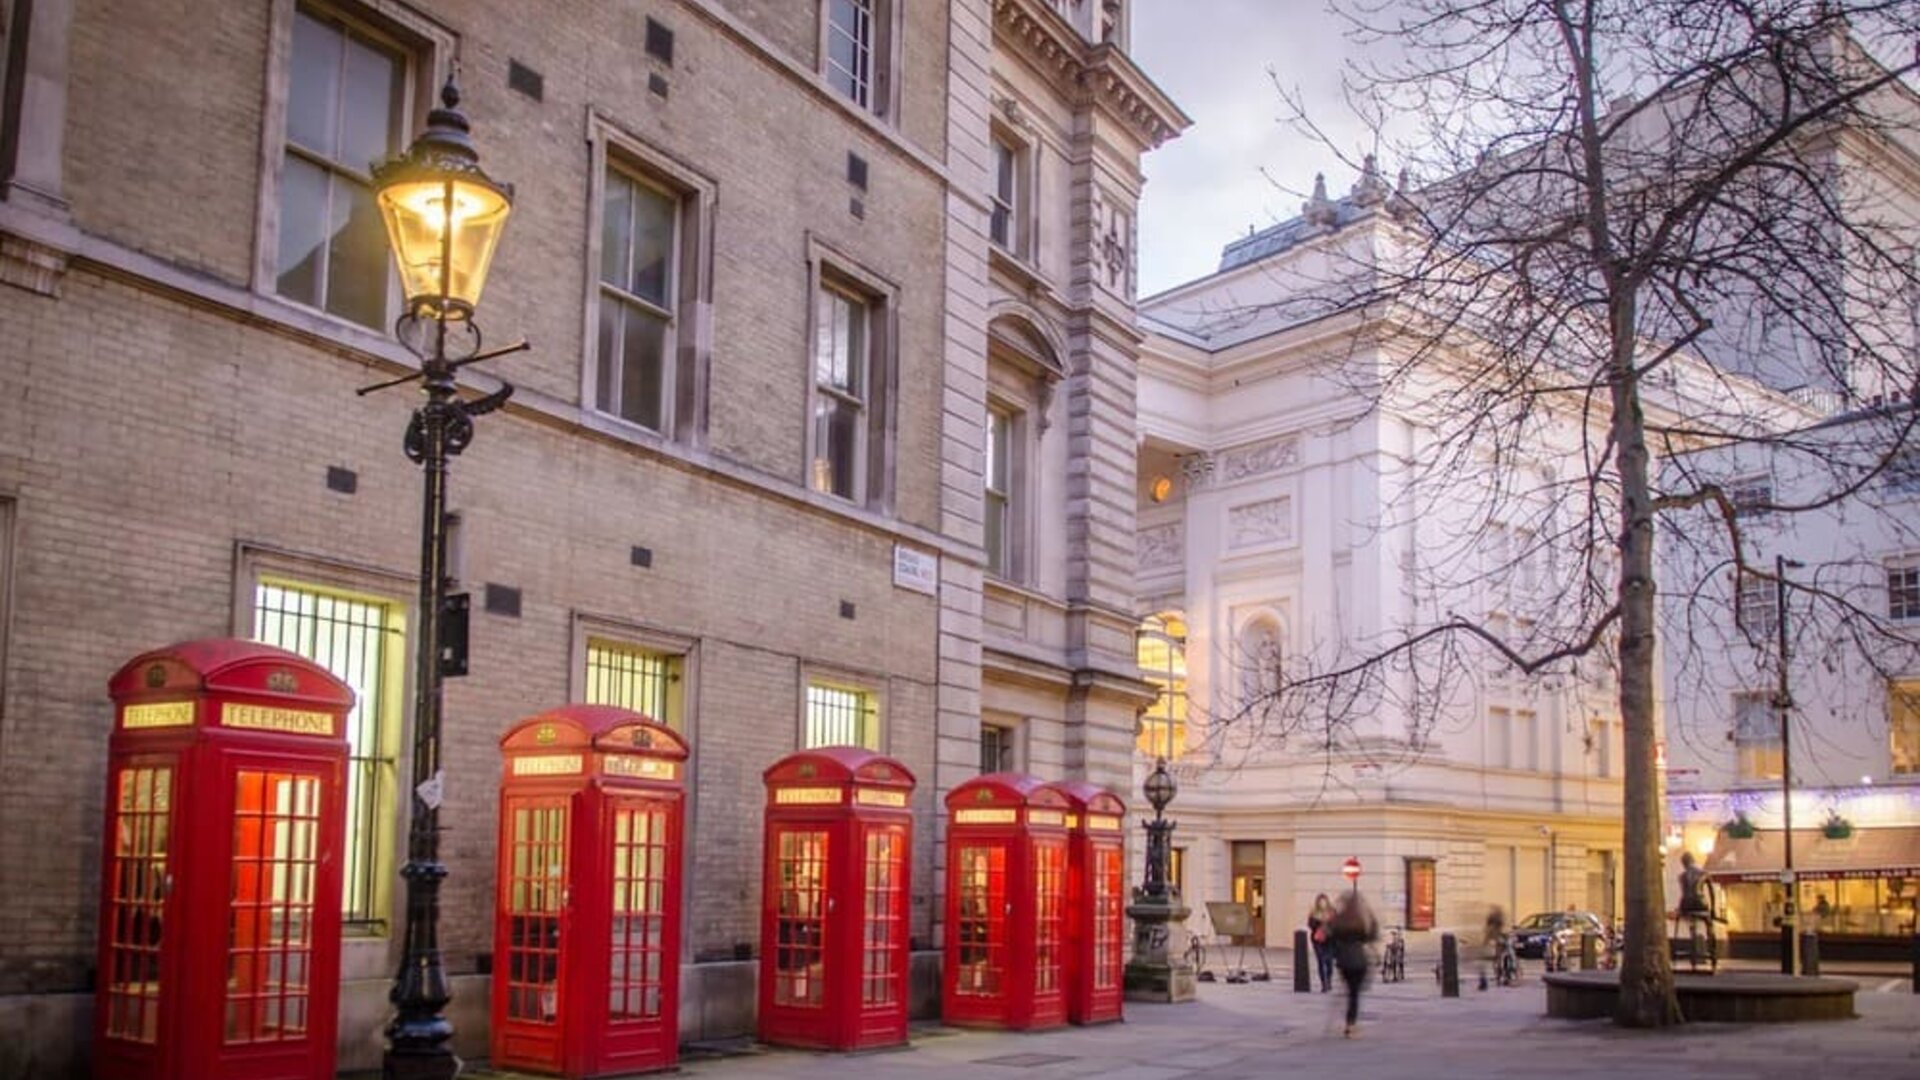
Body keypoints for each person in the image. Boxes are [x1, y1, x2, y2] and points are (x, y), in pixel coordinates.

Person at [1328, 889, 1378, 1038]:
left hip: (1344, 961)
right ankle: (1351, 1024)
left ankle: (1350, 1022)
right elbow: (1370, 937)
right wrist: (1370, 915)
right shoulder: (1359, 920)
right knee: (1354, 994)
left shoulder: (1339, 920)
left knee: (1350, 991)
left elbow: (1330, 938)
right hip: (1359, 960)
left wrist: (1337, 954)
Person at [1307, 893, 1336, 993]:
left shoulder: (1332, 912)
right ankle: (1323, 984)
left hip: (1329, 940)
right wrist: (1319, 922)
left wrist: (1328, 923)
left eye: (1324, 901)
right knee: (1320, 960)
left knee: (1329, 962)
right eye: (1320, 901)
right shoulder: (1314, 912)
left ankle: (1328, 981)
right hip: (1317, 939)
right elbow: (1310, 924)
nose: (1322, 904)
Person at [1479, 904, 1507, 991]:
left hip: (1497, 944)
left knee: (1498, 960)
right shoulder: (1497, 924)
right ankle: (1499, 975)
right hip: (1497, 944)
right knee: (1498, 960)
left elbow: (1488, 936)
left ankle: (1499, 974)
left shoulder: (1494, 926)